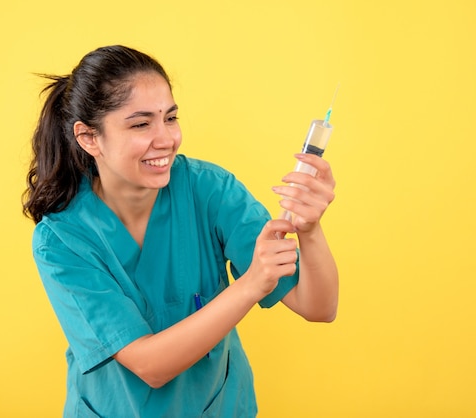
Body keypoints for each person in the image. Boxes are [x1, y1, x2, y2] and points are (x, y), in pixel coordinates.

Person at [23, 45, 338, 418]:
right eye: (141, 124)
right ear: (89, 137)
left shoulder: (209, 191)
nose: (166, 139)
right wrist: (251, 283)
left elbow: (318, 306)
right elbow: (150, 365)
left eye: (170, 118)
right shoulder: (63, 238)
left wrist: (310, 229)